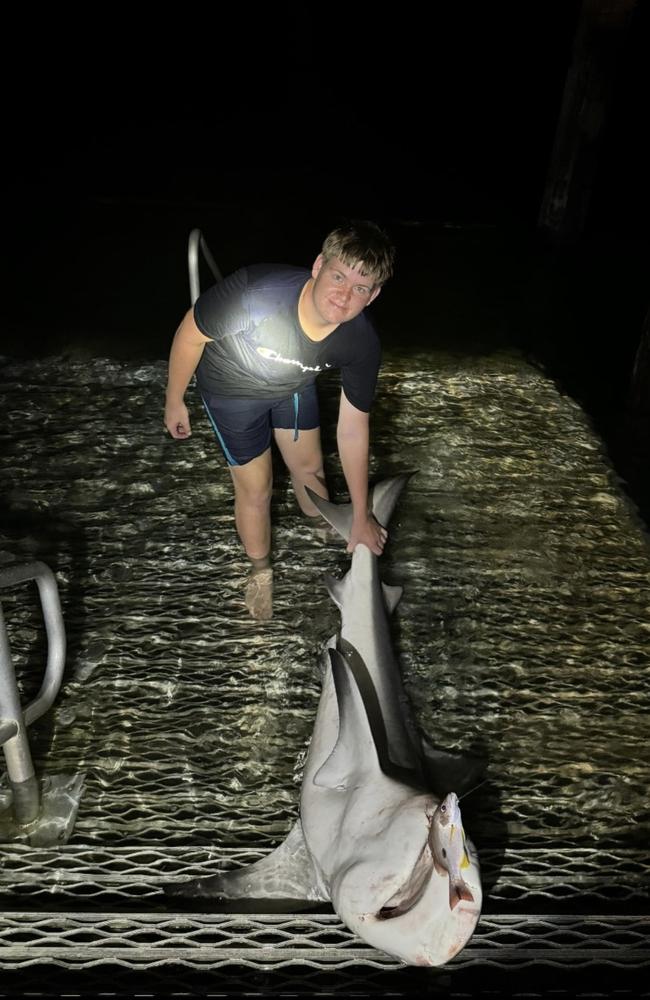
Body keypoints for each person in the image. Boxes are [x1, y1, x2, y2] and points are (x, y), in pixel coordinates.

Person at [164, 219, 395, 620]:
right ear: (318, 265)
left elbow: (353, 427)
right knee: (257, 490)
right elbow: (191, 333)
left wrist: (360, 515)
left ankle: (318, 519)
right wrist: (174, 399)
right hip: (231, 392)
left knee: (311, 469)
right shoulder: (257, 294)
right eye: (338, 276)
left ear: (372, 296)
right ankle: (260, 571)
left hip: (291, 383)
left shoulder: (361, 341)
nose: (343, 296)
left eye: (360, 288)